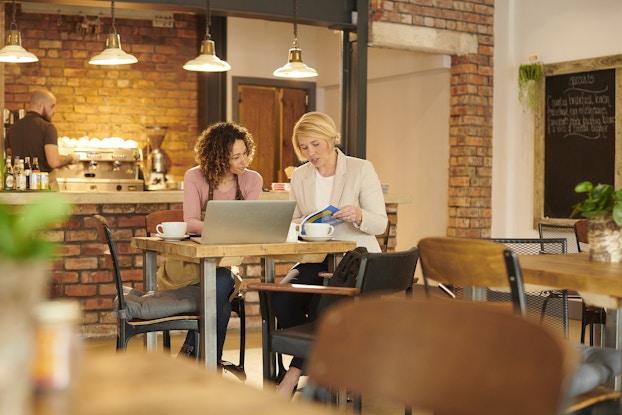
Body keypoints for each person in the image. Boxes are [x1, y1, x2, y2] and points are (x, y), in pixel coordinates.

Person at [271, 111, 388, 397]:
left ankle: (293, 374)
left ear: (330, 139)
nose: (310, 153)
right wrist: (303, 223)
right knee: (283, 299)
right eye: (303, 147)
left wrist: (359, 214)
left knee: (326, 305)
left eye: (315, 145)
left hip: (355, 259)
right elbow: (294, 218)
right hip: (316, 255)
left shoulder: (360, 169)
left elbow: (381, 223)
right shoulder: (300, 175)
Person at [174, 122, 262, 366]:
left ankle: (195, 355)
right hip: (193, 265)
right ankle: (208, 362)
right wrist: (226, 228)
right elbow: (190, 222)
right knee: (221, 288)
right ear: (218, 157)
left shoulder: (252, 180)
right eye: (236, 156)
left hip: (227, 262)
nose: (244, 160)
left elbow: (250, 224)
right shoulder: (195, 176)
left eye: (245, 153)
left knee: (221, 282)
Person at [6, 90, 79, 172]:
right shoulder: (47, 128)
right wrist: (71, 158)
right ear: (40, 106)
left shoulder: (13, 128)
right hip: (42, 182)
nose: (54, 111)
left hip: (19, 181)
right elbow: (54, 162)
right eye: (52, 106)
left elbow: (10, 154)